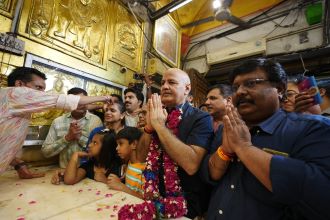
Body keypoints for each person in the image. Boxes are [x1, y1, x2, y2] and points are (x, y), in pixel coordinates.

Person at [202, 58, 330, 220]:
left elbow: (320, 199)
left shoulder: (313, 129)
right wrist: (225, 152)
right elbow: (210, 176)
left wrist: (244, 148)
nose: (240, 91)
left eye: (251, 83)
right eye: (235, 88)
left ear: (279, 89)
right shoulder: (227, 129)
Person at [0, 67, 111, 178]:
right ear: (19, 84)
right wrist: (105, 98)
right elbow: (46, 151)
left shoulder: (95, 120)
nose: (42, 94)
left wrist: (18, 165)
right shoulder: (14, 95)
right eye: (38, 88)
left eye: (43, 90)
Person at [144, 68, 213, 218]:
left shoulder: (201, 118)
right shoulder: (158, 113)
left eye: (172, 82)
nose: (164, 87)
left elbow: (191, 165)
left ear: (187, 89)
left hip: (186, 205)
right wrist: (149, 128)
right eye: (162, 83)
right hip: (154, 198)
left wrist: (160, 127)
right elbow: (142, 157)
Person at [41, 88, 102, 168]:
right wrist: (67, 138)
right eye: (77, 102)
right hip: (64, 171)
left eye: (83, 101)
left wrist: (80, 137)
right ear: (69, 103)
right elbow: (46, 152)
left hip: (88, 172)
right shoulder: (58, 122)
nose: (81, 104)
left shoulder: (95, 121)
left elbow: (101, 150)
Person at [107, 127, 145, 199]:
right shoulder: (130, 162)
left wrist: (121, 186)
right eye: (117, 144)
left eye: (120, 144)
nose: (117, 148)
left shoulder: (144, 170)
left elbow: (144, 199)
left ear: (134, 144)